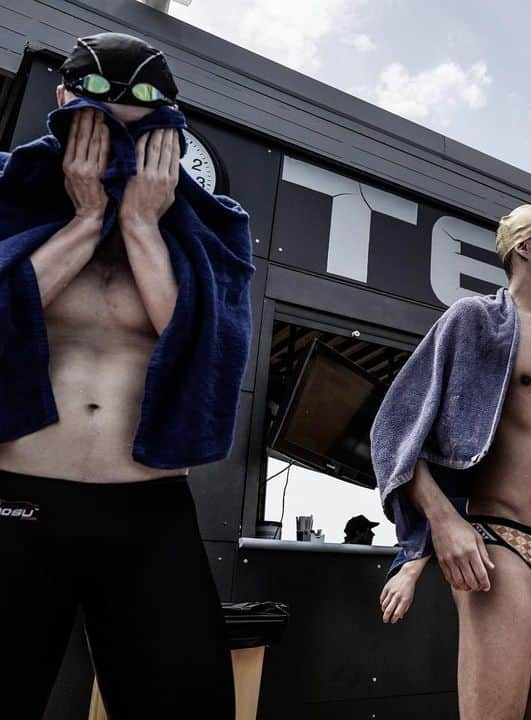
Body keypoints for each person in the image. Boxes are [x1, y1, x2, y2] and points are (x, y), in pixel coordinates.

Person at [0, 33, 253, 718]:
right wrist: (84, 221)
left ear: (169, 118)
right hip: (15, 498)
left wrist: (141, 224)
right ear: (62, 100)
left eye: (141, 103)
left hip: (147, 511)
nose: (116, 118)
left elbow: (207, 352)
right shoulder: (8, 194)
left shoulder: (210, 225)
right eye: (93, 100)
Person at [371, 202, 531, 719]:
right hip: (503, 546)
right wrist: (444, 524)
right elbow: (396, 432)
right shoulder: (474, 321)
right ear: (525, 246)